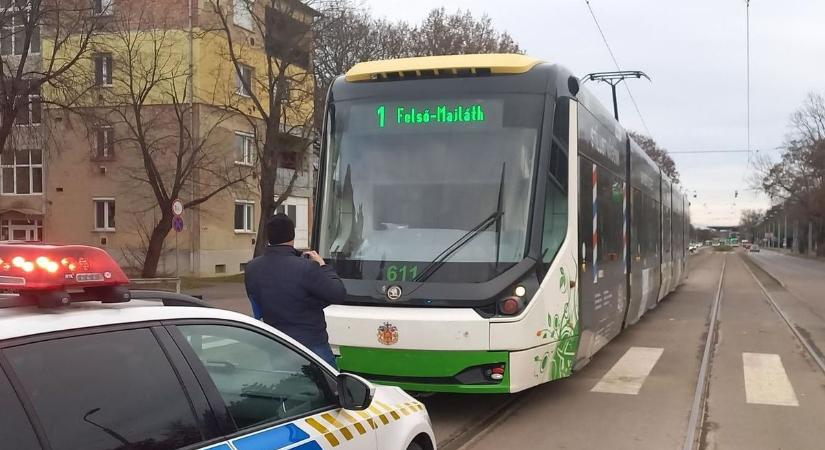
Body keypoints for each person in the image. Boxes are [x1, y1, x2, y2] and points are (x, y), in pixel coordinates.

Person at [244, 213, 347, 367]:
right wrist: (324, 266)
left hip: (277, 344)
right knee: (330, 387)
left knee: (286, 387)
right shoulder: (307, 268)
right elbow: (338, 293)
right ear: (292, 236)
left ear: (268, 237)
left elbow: (257, 305)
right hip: (312, 345)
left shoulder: (252, 268)